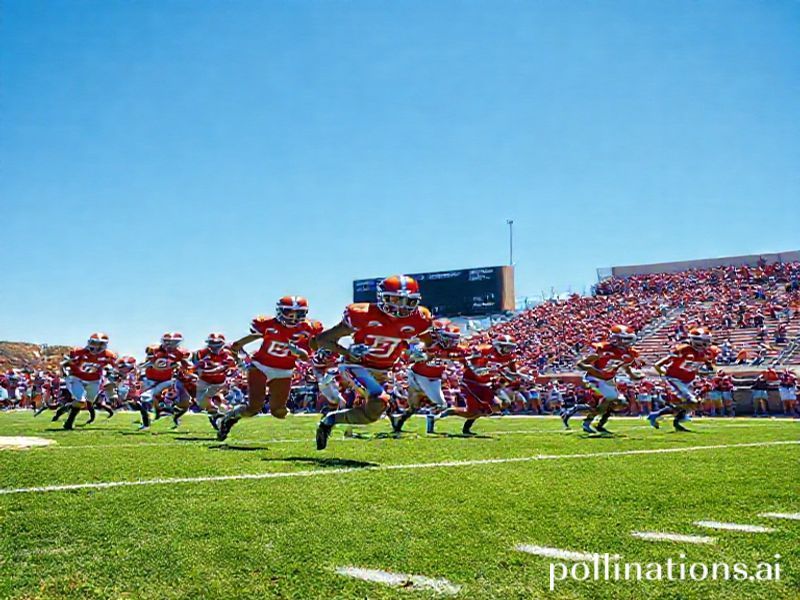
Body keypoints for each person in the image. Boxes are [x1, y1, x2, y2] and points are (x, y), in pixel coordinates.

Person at [313, 275, 432, 449]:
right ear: (382, 297)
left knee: (373, 412)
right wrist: (347, 351)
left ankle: (330, 420)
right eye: (396, 299)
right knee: (380, 398)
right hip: (357, 365)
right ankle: (333, 420)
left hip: (384, 370)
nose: (402, 306)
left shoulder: (420, 318)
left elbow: (427, 343)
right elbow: (323, 339)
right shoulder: (362, 314)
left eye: (409, 301)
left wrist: (417, 349)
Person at [216, 296, 321, 441]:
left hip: (284, 370)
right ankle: (229, 418)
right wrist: (239, 360)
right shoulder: (268, 325)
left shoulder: (308, 329)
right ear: (280, 311)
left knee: (279, 412)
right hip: (261, 366)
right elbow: (236, 346)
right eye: (289, 313)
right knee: (253, 408)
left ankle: (232, 415)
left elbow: (306, 356)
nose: (294, 318)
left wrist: (297, 351)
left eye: (298, 314)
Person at [433, 333, 519, 436]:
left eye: (510, 348)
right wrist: (495, 372)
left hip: (486, 384)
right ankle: (446, 414)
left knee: (500, 404)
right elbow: (475, 369)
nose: (508, 350)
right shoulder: (483, 350)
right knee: (471, 413)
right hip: (471, 383)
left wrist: (502, 382)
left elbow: (512, 373)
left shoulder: (510, 356)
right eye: (506, 347)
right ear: (497, 345)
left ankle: (469, 424)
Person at [562, 325, 642, 433]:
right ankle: (587, 422)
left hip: (609, 381)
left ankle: (595, 422)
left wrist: (633, 375)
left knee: (620, 403)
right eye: (625, 339)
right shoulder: (603, 349)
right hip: (594, 378)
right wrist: (594, 370)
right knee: (608, 399)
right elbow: (581, 364)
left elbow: (625, 367)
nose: (628, 342)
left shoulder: (629, 353)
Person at [392, 319, 465, 433]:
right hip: (419, 376)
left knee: (417, 407)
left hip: (432, 379)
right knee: (438, 405)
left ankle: (400, 421)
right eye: (449, 337)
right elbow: (408, 355)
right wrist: (418, 355)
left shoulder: (457, 349)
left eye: (454, 338)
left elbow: (467, 357)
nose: (452, 341)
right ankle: (428, 423)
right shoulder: (427, 345)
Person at [648, 328, 717, 431]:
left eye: (707, 340)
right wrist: (663, 373)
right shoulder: (684, 349)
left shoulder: (706, 353)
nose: (707, 343)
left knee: (688, 404)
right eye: (705, 340)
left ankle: (661, 416)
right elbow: (658, 364)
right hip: (675, 379)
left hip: (688, 380)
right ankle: (669, 417)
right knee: (692, 402)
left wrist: (709, 371)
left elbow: (705, 368)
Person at [58, 333, 117, 430]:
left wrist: (111, 374)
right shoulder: (78, 352)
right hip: (77, 378)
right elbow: (64, 364)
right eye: (94, 343)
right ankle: (69, 423)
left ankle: (66, 408)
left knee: (89, 402)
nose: (96, 346)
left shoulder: (108, 355)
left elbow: (114, 368)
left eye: (99, 344)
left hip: (94, 380)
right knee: (80, 400)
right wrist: (65, 371)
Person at [136, 333, 192, 430]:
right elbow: (147, 363)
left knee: (179, 400)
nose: (169, 344)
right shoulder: (155, 349)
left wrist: (181, 366)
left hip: (166, 380)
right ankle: (148, 420)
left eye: (172, 342)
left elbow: (188, 366)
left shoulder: (181, 353)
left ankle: (167, 411)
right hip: (150, 378)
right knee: (144, 399)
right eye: (167, 341)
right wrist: (142, 367)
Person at [192, 333, 238, 429]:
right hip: (204, 380)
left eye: (217, 343)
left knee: (219, 399)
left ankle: (224, 417)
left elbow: (230, 368)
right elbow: (193, 367)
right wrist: (197, 369)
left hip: (219, 381)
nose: (214, 346)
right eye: (212, 343)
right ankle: (215, 415)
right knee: (202, 402)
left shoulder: (227, 354)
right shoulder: (200, 353)